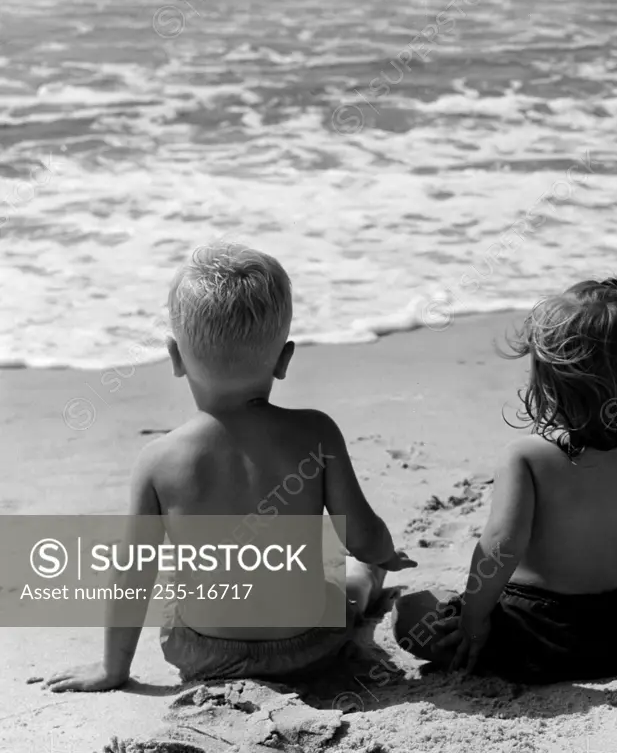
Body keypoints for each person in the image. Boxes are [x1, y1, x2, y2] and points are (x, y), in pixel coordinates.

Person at [47, 241, 414, 691]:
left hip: (204, 655)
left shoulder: (158, 460)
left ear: (176, 358)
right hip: (307, 647)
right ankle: (367, 583)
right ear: (284, 359)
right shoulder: (317, 434)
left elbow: (131, 575)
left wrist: (113, 671)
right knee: (350, 586)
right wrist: (382, 557)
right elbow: (362, 536)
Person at [392, 278, 617, 681]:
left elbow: (501, 547)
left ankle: (482, 650)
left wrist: (474, 620)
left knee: (410, 612)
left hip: (536, 636)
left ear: (546, 381)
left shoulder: (525, 457)